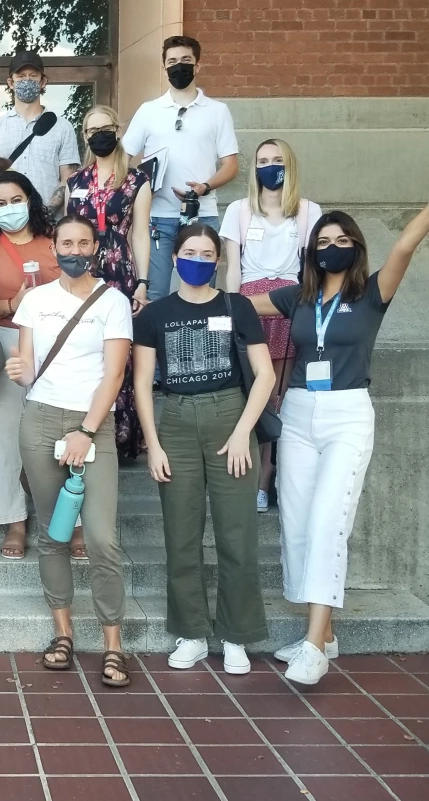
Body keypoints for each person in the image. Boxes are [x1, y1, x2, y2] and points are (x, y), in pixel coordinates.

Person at [249, 136, 429, 687]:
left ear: (356, 247)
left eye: (342, 240)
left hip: (346, 415)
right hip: (298, 413)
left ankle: (314, 648)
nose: (332, 247)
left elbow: (405, 248)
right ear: (311, 250)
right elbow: (241, 304)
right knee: (298, 525)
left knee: (328, 523)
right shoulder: (297, 296)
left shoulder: (371, 294)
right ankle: (323, 634)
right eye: (324, 241)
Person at [133, 223, 275, 674]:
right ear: (175, 259)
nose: (198, 259)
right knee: (181, 534)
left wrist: (242, 431)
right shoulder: (154, 315)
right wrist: (153, 444)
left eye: (207, 253)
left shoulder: (237, 306)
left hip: (230, 416)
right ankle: (191, 632)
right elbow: (141, 382)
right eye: (190, 252)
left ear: (218, 260)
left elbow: (266, 375)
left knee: (237, 534)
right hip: (175, 420)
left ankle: (237, 635)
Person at [5, 215, 134, 683]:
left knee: (101, 537)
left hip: (92, 424)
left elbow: (114, 375)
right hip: (40, 419)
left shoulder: (113, 301)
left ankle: (113, 644)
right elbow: (28, 367)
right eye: (66, 243)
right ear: (54, 248)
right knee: (53, 533)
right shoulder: (35, 300)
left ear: (95, 248)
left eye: (83, 243)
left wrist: (85, 430)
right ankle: (63, 634)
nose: (74, 250)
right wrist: (19, 371)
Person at [221, 138, 321, 512]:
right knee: (249, 393)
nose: (270, 166)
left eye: (277, 160)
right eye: (262, 160)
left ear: (289, 164)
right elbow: (233, 268)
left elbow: (312, 267)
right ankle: (241, 473)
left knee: (277, 397)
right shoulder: (239, 210)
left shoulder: (308, 211)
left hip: (290, 302)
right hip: (250, 304)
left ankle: (266, 478)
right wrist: (232, 311)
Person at [0, 170, 60, 559]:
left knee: (60, 431)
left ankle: (69, 520)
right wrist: (11, 304)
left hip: (56, 346)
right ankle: (14, 521)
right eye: (0, 203)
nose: (9, 208)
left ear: (31, 200)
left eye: (16, 200)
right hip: (2, 341)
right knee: (1, 434)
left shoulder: (56, 239)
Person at [66, 104, 154, 460]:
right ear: (85, 136)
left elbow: (141, 234)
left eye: (105, 128)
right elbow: (68, 232)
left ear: (117, 131)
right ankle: (85, 427)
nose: (99, 135)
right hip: (83, 272)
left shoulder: (137, 180)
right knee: (86, 347)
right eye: (92, 130)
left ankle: (123, 436)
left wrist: (143, 282)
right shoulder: (75, 181)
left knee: (120, 353)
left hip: (120, 273)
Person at [121, 36, 239, 300]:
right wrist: (141, 187)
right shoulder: (148, 111)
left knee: (202, 292)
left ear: (198, 65)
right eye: (172, 61)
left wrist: (205, 187)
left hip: (202, 215)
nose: (179, 66)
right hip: (157, 218)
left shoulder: (218, 111)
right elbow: (121, 159)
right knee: (154, 294)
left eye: (186, 60)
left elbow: (231, 165)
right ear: (164, 67)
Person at [0, 51, 81, 211]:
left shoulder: (62, 127)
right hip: (4, 218)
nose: (27, 80)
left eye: (33, 76)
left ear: (43, 81)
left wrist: (47, 213)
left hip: (48, 221)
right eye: (20, 76)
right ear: (10, 83)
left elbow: (68, 179)